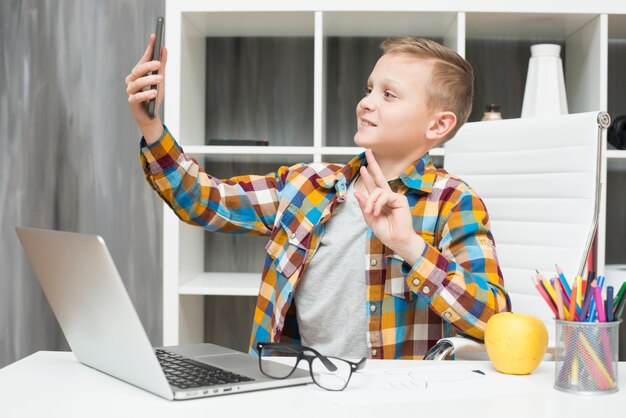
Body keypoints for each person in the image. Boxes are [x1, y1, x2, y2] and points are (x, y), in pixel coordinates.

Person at [125, 34, 510, 360]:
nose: (367, 102)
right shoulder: (306, 185)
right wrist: (151, 125)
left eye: (389, 95)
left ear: (438, 124)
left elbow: (494, 320)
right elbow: (204, 199)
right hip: (302, 388)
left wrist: (411, 247)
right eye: (369, 89)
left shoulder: (454, 201)